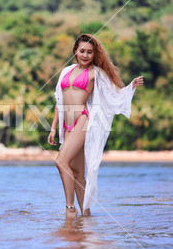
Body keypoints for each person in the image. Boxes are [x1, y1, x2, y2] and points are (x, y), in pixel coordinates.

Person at [47, 33, 144, 218]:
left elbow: (113, 95)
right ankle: (86, 215)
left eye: (89, 52)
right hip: (66, 125)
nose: (85, 55)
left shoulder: (96, 73)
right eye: (82, 51)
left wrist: (131, 86)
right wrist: (53, 127)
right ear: (75, 51)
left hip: (83, 121)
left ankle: (70, 209)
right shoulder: (66, 71)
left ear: (94, 54)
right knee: (77, 172)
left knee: (60, 162)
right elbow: (59, 101)